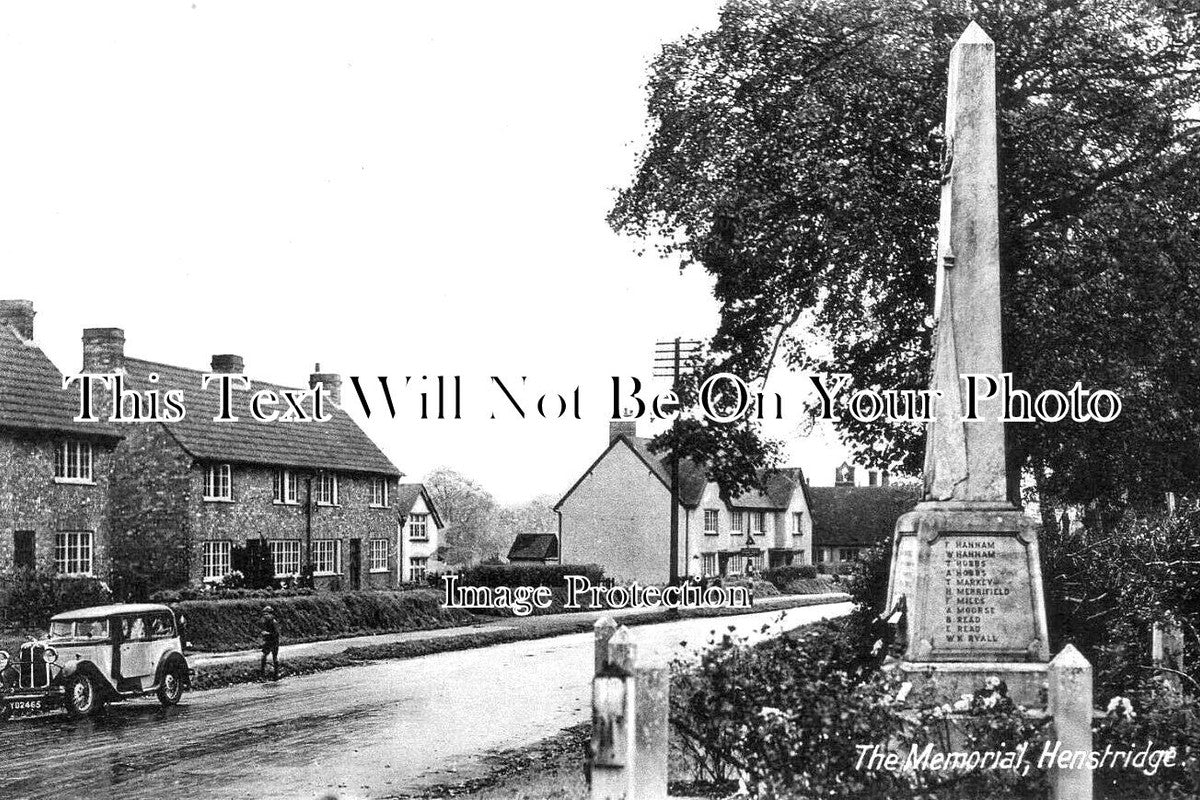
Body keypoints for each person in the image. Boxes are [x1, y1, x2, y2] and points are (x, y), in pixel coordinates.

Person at [259, 605, 280, 681]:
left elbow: (276, 633)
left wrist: (267, 634)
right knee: (264, 656)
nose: (265, 616)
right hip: (268, 641)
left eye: (267, 614)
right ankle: (263, 674)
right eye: (264, 614)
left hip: (273, 641)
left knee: (274, 656)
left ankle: (276, 675)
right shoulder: (266, 622)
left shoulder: (274, 622)